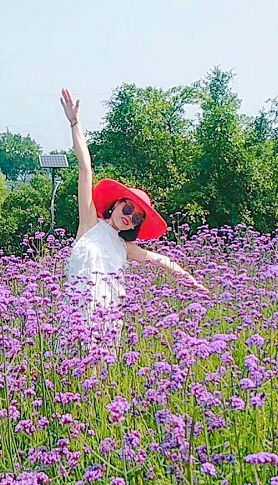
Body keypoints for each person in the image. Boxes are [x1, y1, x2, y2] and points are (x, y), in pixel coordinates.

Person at [59, 87, 210, 351]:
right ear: (117, 203)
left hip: (107, 319)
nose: (130, 218)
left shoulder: (123, 247)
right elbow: (85, 169)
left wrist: (191, 280)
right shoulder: (89, 223)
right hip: (77, 318)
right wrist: (75, 123)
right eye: (128, 210)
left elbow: (160, 260)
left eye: (137, 218)